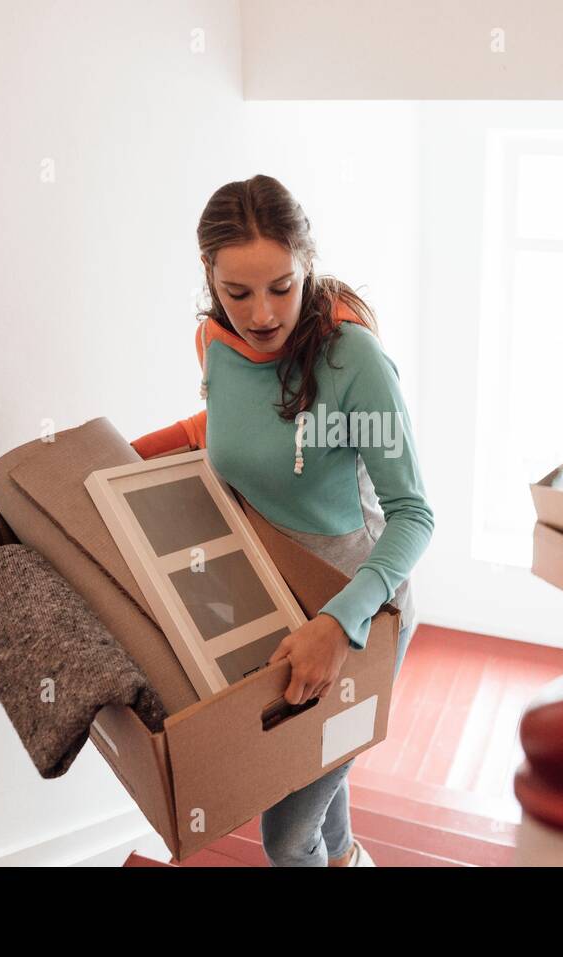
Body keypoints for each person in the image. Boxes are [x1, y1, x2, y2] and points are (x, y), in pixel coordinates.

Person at [130, 174, 434, 867]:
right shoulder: (214, 342)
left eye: (281, 286)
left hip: (364, 605)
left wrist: (338, 624)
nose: (262, 314)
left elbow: (414, 514)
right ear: (209, 275)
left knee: (287, 834)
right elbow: (235, 426)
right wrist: (121, 458)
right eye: (238, 293)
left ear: (307, 263)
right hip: (273, 596)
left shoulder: (354, 361)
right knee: (320, 777)